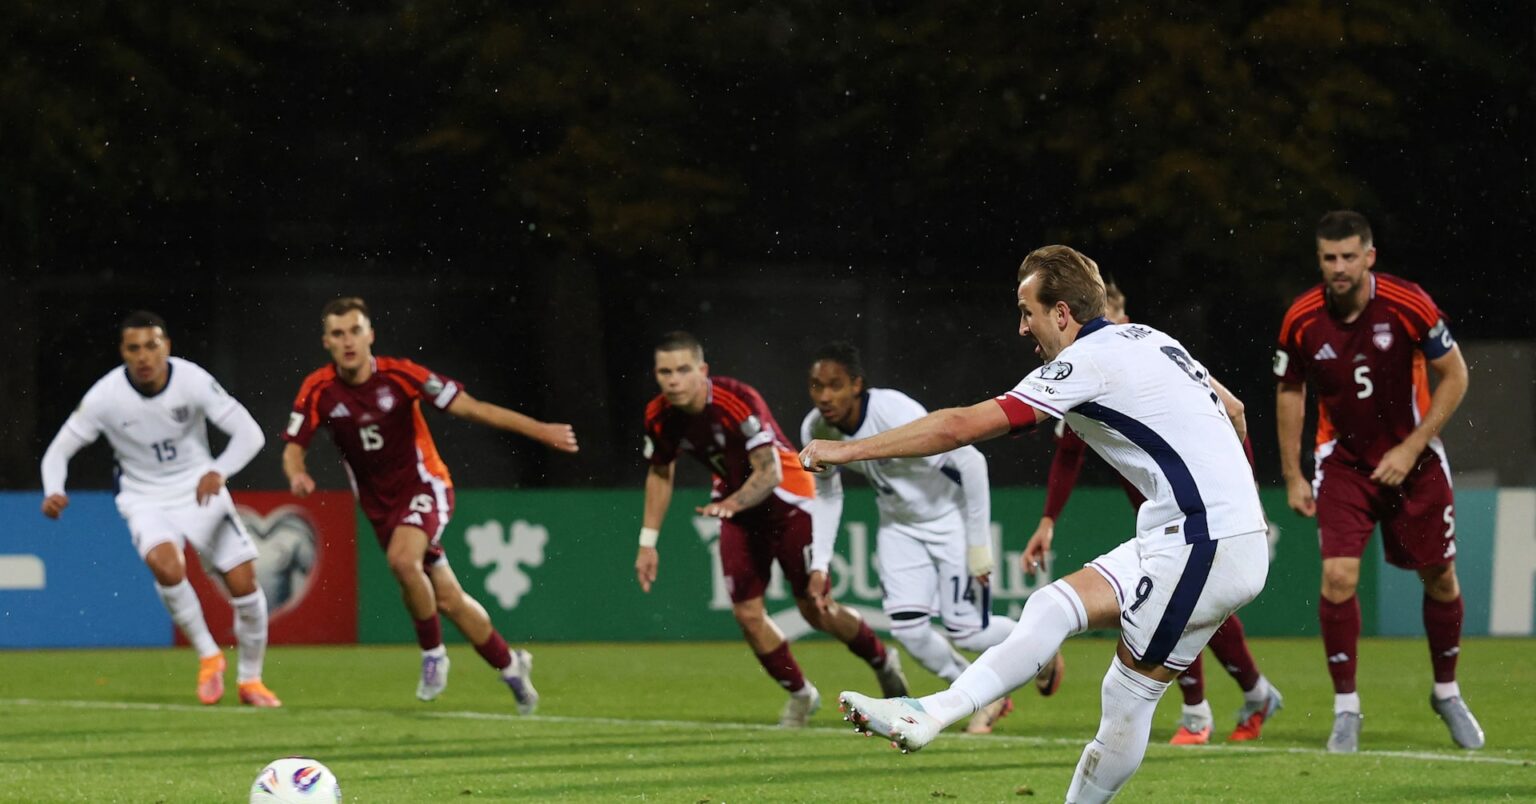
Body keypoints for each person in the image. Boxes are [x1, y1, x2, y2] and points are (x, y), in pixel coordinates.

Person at [806, 246, 1268, 803]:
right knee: (1051, 606)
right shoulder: (1150, 337)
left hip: (1203, 538)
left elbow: (958, 428)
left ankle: (934, 714)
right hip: (1193, 533)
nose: (1022, 327)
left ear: (1062, 313)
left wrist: (846, 451)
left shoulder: (1084, 363)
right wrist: (1240, 504)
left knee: (1126, 697)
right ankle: (930, 711)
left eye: (1028, 312)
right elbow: (1235, 410)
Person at [281, 297, 577, 711]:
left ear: (370, 335)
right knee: (448, 599)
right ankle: (511, 665)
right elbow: (293, 447)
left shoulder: (401, 376)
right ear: (326, 341)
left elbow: (474, 409)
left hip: (425, 486)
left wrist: (540, 431)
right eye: (338, 333)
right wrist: (297, 473)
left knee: (403, 562)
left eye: (355, 331)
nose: (348, 341)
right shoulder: (318, 390)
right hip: (380, 507)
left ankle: (433, 654)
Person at [1027, 281, 1282, 745]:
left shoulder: (1149, 354)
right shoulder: (1082, 371)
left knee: (1176, 605)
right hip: (1163, 513)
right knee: (1188, 607)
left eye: (1112, 317)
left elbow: (1233, 411)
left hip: (1199, 511)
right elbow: (1067, 454)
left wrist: (1245, 495)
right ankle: (1247, 694)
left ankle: (1200, 711)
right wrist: (1047, 520)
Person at [1275, 210, 1482, 753]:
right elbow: (1290, 390)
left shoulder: (1409, 303)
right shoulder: (1301, 318)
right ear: (1319, 260)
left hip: (1416, 461)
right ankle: (1346, 708)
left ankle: (1447, 692)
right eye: (1329, 258)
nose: (1339, 267)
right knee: (1338, 578)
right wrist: (1293, 474)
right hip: (1343, 464)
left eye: (1349, 256)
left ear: (1369, 256)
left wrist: (1411, 446)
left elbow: (1456, 375)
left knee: (1440, 578)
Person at [635, 331, 909, 727]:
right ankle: (802, 695)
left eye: (683, 370)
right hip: (739, 512)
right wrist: (648, 542)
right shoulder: (659, 415)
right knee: (747, 615)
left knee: (816, 608)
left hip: (791, 503)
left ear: (702, 370)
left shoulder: (736, 399)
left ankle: (882, 661)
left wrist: (731, 503)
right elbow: (661, 472)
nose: (674, 380)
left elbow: (769, 473)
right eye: (665, 372)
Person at [802, 341, 1049, 736]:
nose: (825, 396)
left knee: (969, 632)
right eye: (817, 386)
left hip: (949, 521)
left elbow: (970, 461)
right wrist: (819, 564)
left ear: (857, 385)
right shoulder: (816, 429)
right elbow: (828, 496)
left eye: (835, 385)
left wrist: (978, 545)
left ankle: (1044, 644)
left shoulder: (893, 411)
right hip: (898, 526)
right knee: (909, 632)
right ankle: (983, 695)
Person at [40, 311, 281, 708]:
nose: (144, 356)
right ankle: (209, 656)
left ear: (166, 346)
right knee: (166, 567)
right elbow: (58, 452)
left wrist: (219, 470)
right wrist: (54, 490)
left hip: (200, 490)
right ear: (123, 352)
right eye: (133, 348)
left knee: (243, 584)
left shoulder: (192, 380)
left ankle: (251, 680)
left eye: (152, 346)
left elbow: (250, 434)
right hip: (144, 497)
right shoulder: (105, 397)